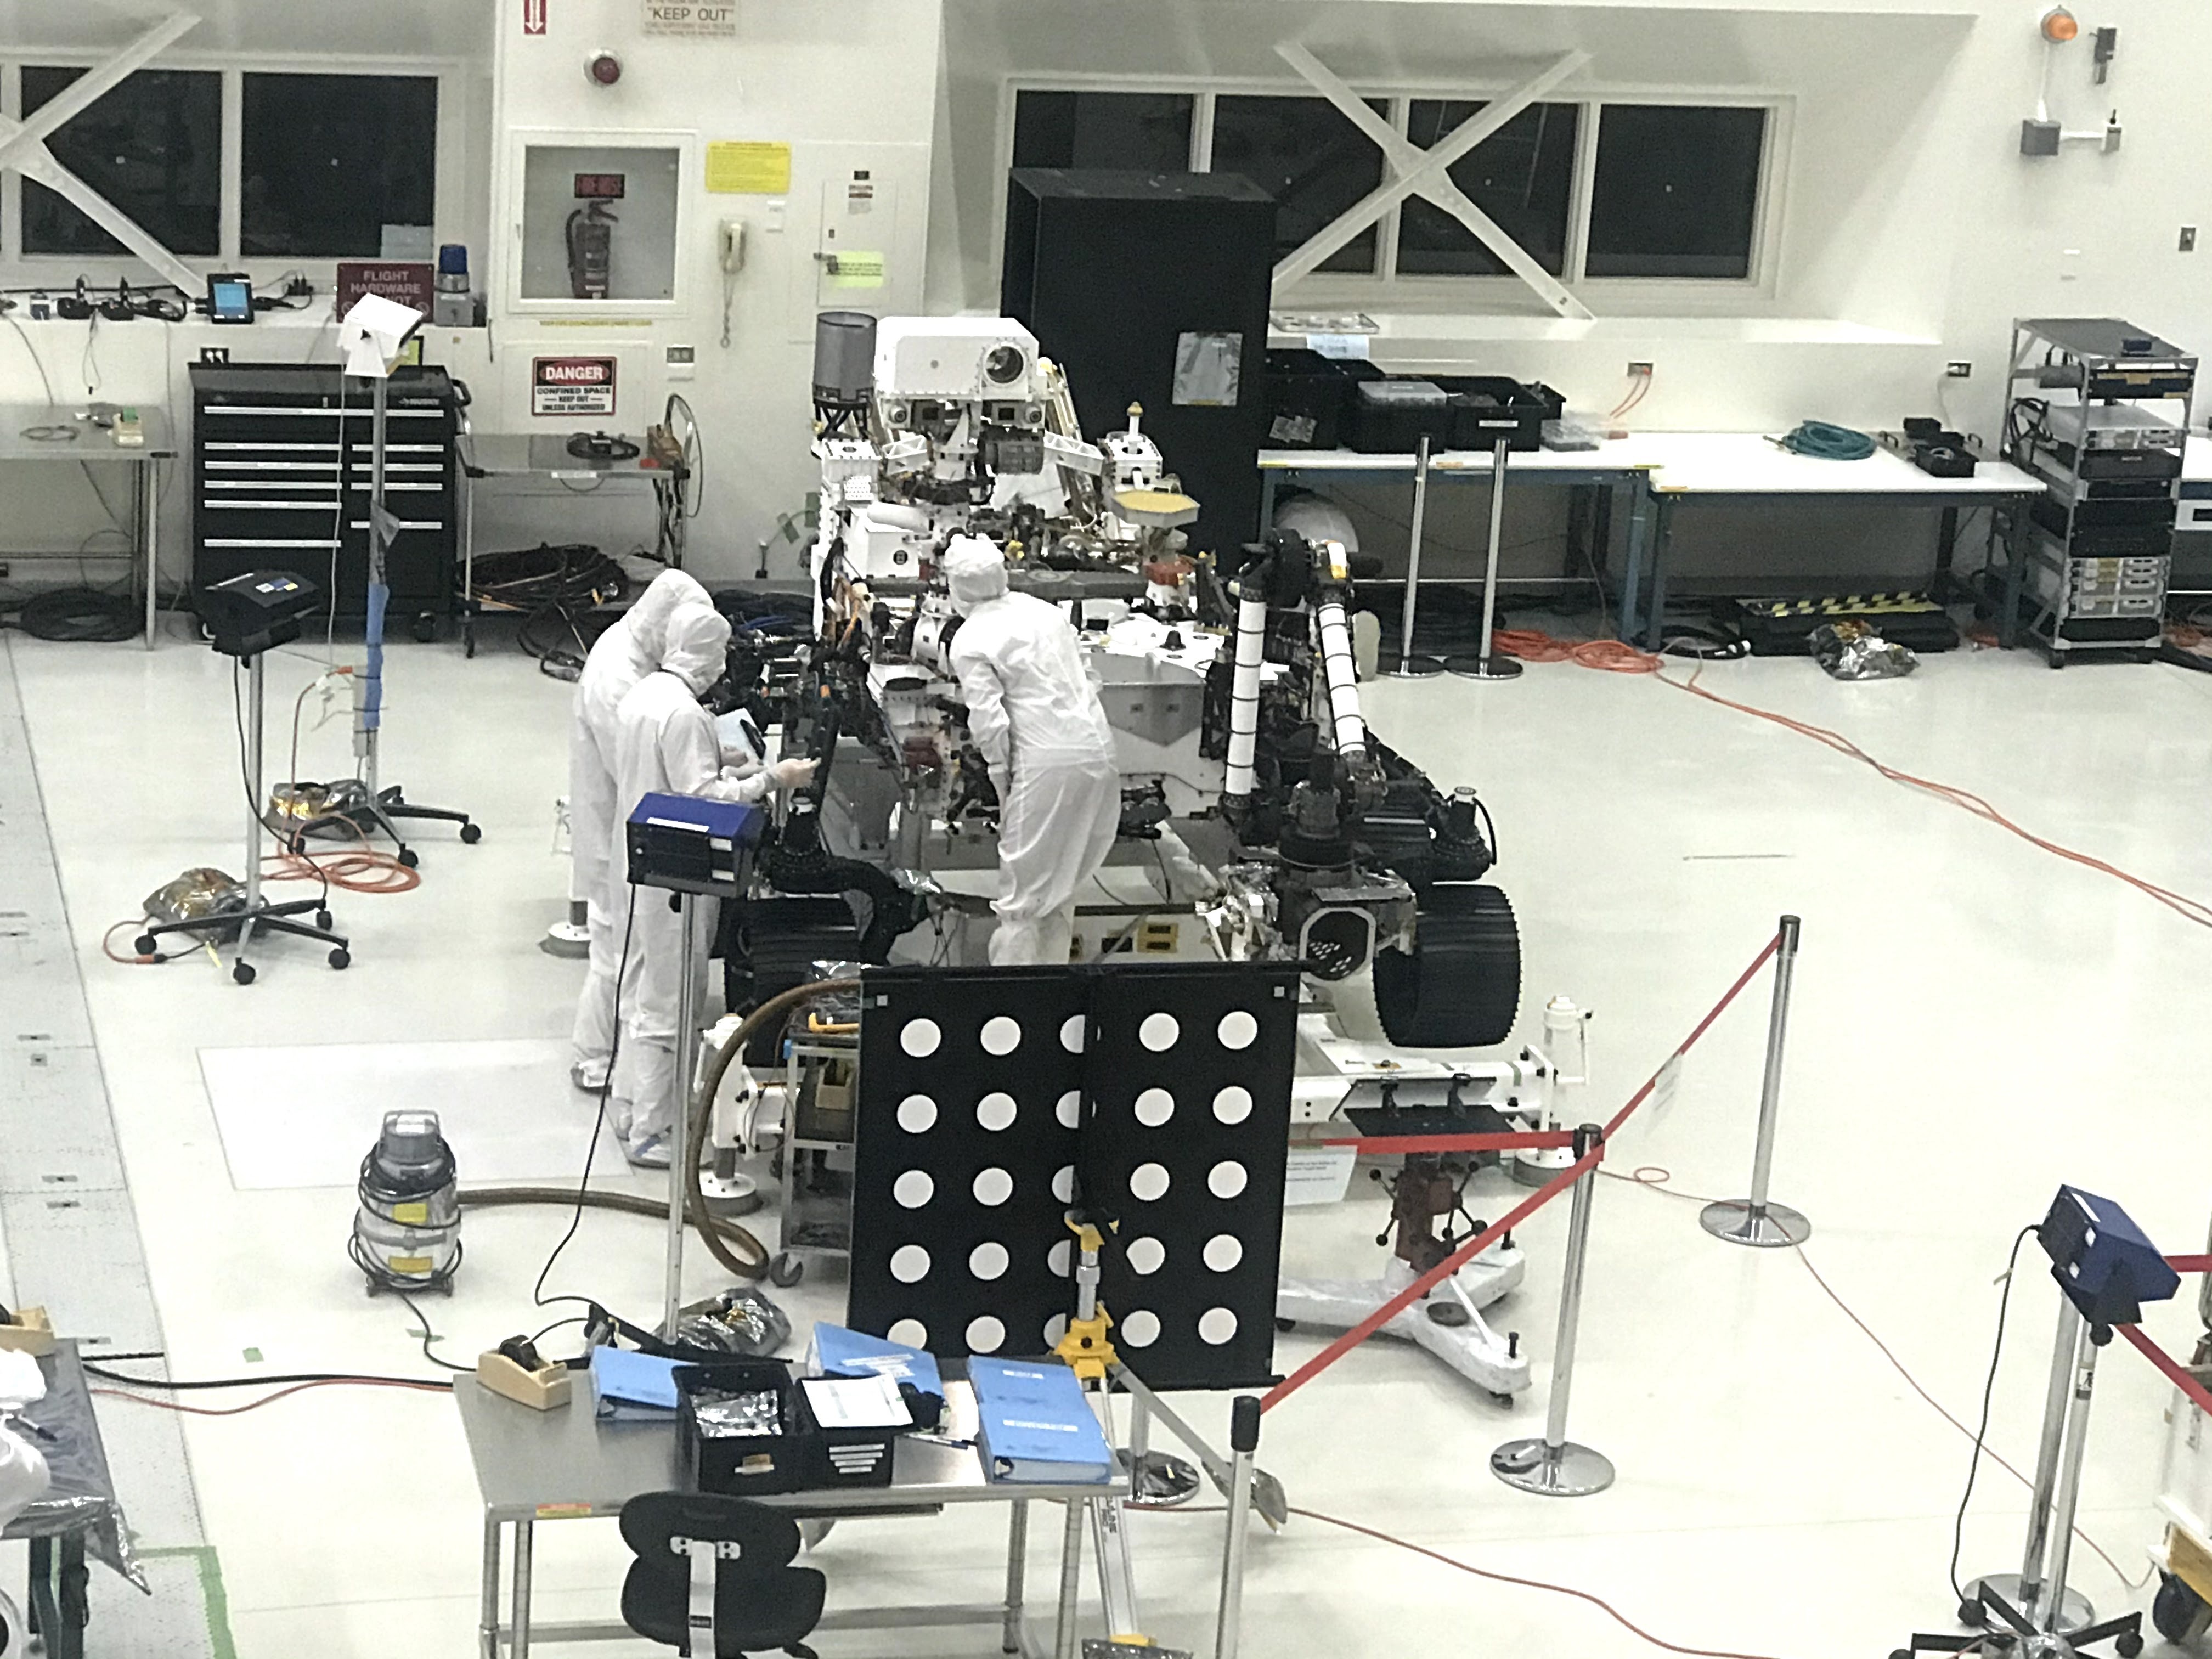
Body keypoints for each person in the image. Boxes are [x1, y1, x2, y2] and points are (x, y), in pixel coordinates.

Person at [607, 599, 816, 1166]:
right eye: (721, 652)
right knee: (672, 1003)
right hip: (680, 872)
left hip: (640, 863)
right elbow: (703, 799)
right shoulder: (685, 715)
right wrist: (776, 777)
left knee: (644, 990)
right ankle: (654, 1131)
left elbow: (673, 773)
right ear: (704, 652)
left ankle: (630, 1105)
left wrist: (724, 764)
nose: (725, 663)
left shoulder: (647, 695)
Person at [943, 535, 1121, 966]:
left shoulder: (970, 639)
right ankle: (1052, 1002)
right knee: (1061, 885)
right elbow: (1090, 674)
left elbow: (989, 722)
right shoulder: (1045, 612)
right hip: (1100, 752)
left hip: (1048, 765)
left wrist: (1003, 784)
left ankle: (1012, 1012)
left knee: (1023, 897)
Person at [568, 569, 712, 1092]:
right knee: (619, 957)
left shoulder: (625, 649)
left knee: (619, 956)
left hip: (616, 828)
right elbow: (641, 768)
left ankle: (609, 1065)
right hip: (616, 835)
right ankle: (602, 1064)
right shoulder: (619, 677)